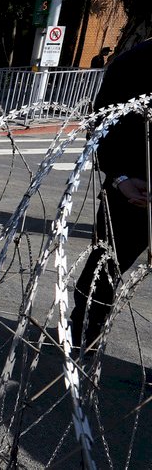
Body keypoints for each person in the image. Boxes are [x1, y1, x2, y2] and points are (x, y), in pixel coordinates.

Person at [70, 38, 152, 351]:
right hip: (131, 188)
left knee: (105, 263)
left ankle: (82, 333)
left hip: (130, 185)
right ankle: (83, 334)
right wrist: (119, 177)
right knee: (105, 264)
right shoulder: (135, 61)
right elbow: (103, 123)